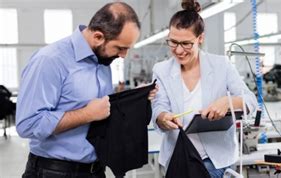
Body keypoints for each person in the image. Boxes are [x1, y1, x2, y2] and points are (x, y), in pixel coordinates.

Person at [15, 2, 157, 178]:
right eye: (121, 48)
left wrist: (136, 97)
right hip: (54, 172)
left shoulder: (103, 61)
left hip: (95, 170)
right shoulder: (50, 60)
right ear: (98, 37)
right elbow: (27, 124)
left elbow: (102, 110)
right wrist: (86, 114)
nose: (123, 55)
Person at [151, 1, 258, 177]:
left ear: (200, 38)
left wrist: (228, 101)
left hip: (215, 159)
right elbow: (159, 106)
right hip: (177, 156)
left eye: (186, 44)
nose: (179, 50)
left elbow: (251, 101)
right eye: (173, 42)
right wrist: (163, 117)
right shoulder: (161, 70)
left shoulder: (221, 65)